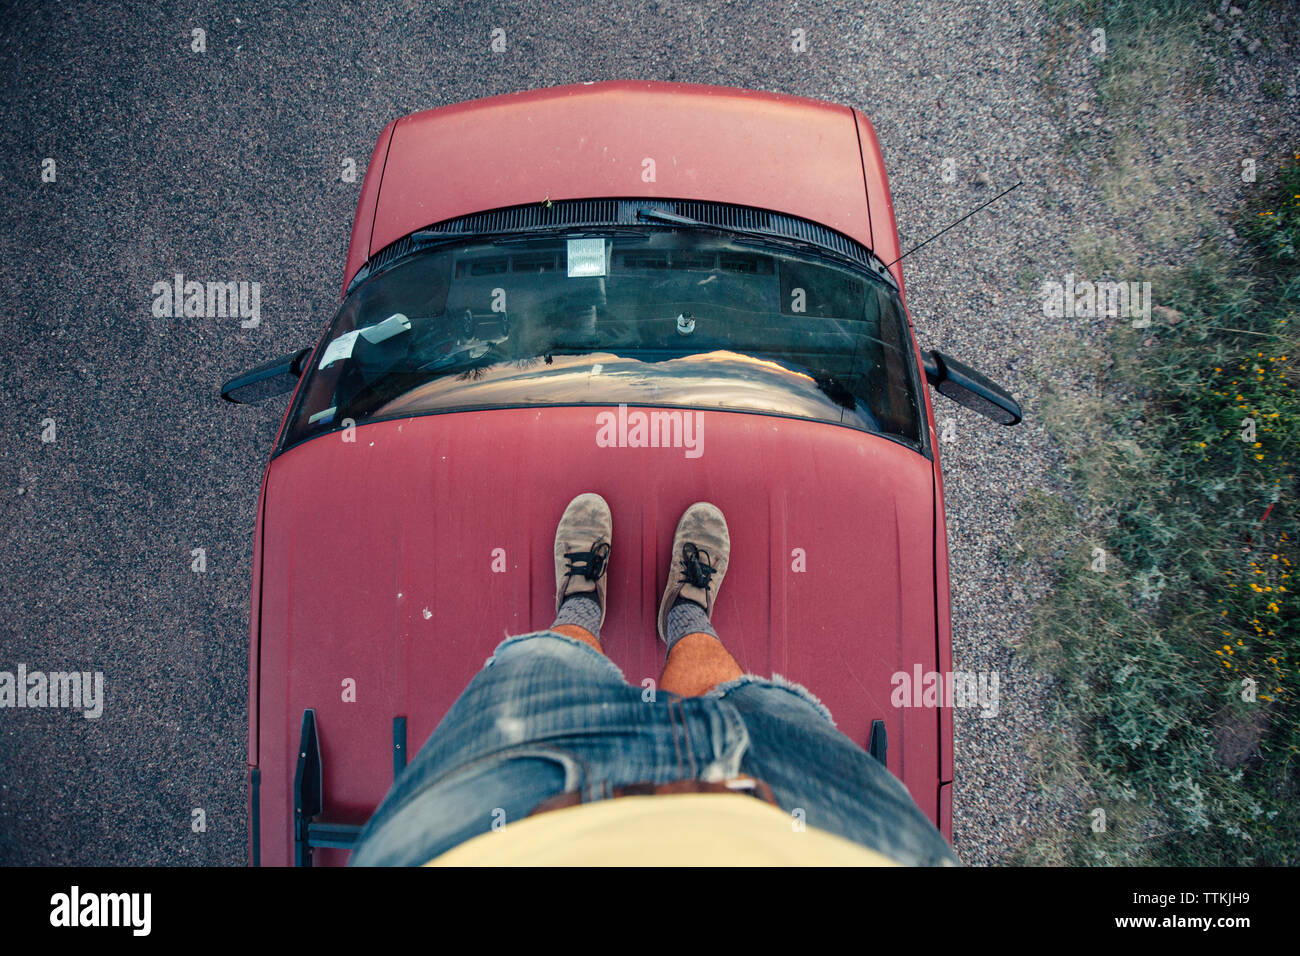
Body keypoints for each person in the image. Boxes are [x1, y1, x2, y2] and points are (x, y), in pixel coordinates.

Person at [350, 493, 959, 866]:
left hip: (488, 840)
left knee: (536, 667)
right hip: (832, 840)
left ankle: (581, 606)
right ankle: (685, 615)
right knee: (746, 704)